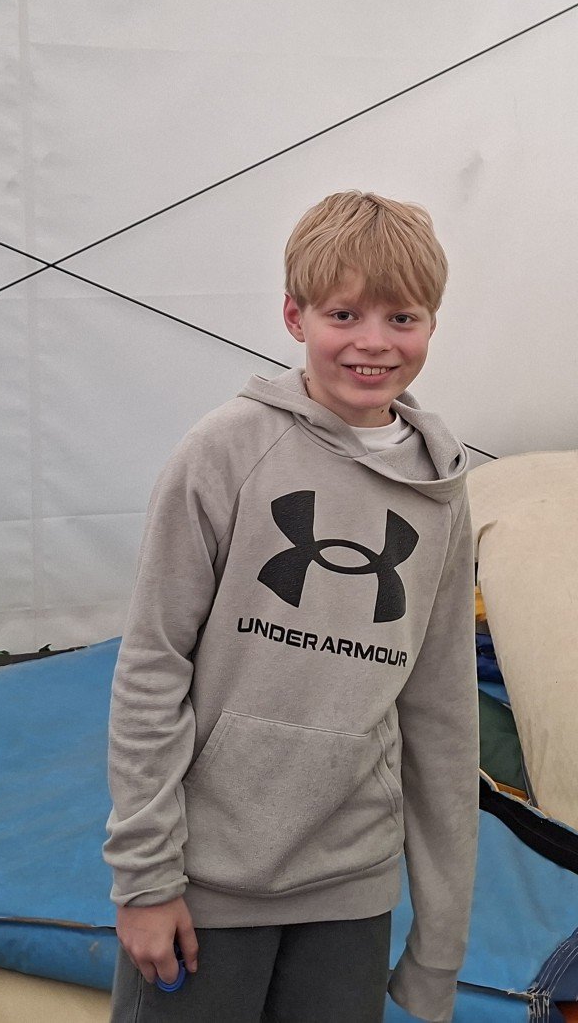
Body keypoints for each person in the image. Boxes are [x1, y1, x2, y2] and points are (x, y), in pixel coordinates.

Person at [104, 191, 477, 1022]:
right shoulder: (224, 452)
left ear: (431, 324)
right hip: (206, 881)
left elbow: (443, 713)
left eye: (402, 317)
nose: (373, 341)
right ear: (293, 315)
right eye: (344, 314)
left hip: (352, 884)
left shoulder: (440, 492)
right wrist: (146, 878)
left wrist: (441, 942)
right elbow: (152, 667)